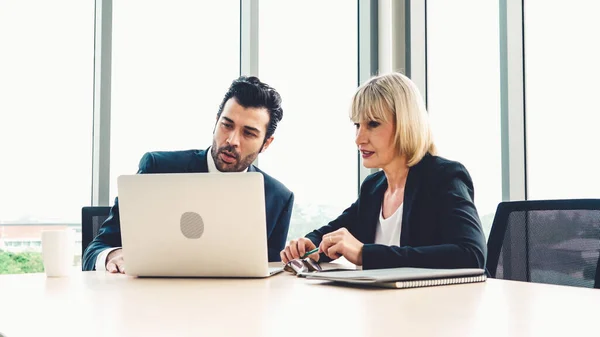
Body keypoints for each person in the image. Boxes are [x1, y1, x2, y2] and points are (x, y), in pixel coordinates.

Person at [83, 76, 294, 273]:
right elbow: (94, 250)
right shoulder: (157, 169)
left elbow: (269, 273)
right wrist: (113, 254)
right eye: (226, 125)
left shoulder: (278, 198)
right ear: (215, 121)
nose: (232, 141)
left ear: (266, 143)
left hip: (233, 308)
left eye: (248, 133)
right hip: (155, 304)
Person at [281, 72, 486, 270]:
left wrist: (365, 254)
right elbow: (338, 230)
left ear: (405, 125)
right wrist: (311, 244)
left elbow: (471, 255)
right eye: (357, 125)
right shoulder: (374, 187)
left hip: (432, 303)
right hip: (382, 304)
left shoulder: (444, 177)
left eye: (373, 124)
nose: (359, 139)